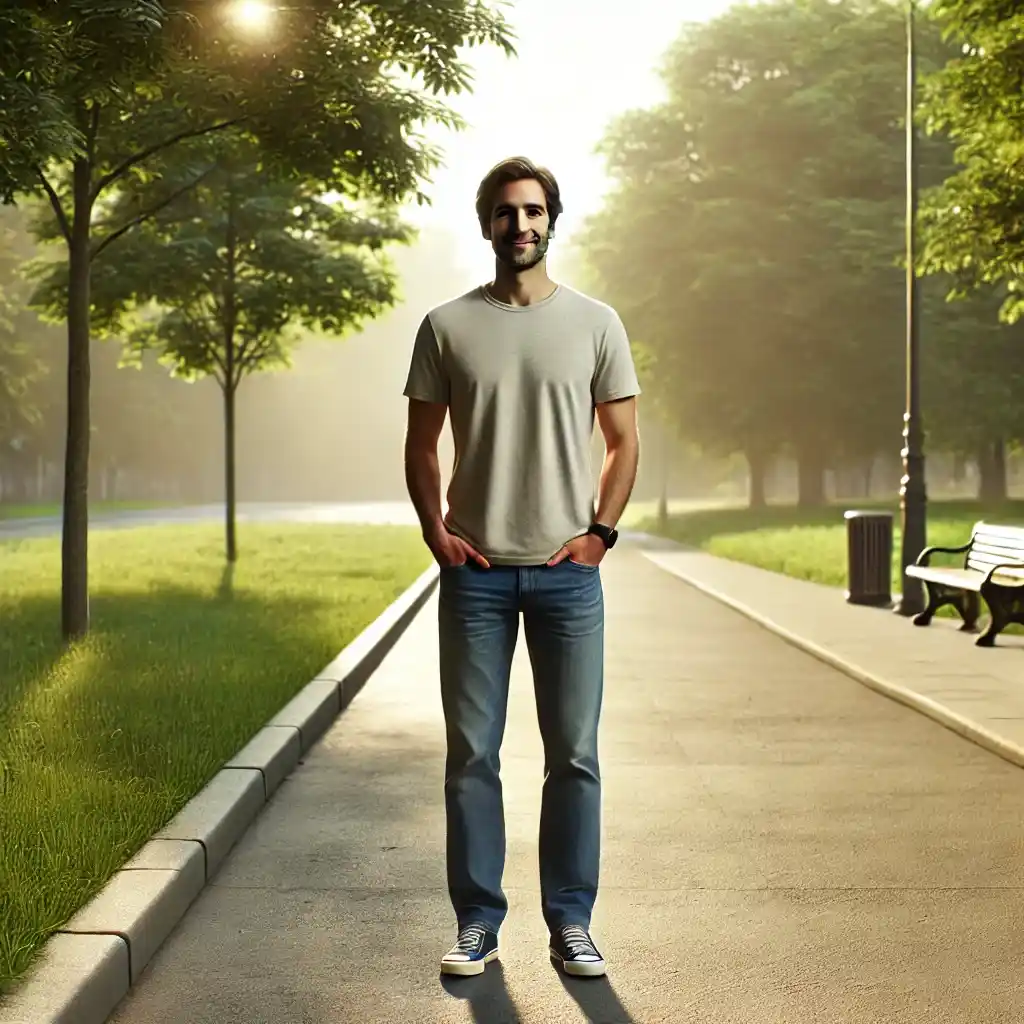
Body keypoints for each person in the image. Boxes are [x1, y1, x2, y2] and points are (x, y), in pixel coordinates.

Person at [402, 155, 641, 979]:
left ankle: (572, 922)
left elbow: (624, 443)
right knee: (473, 754)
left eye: (534, 211)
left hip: (569, 577)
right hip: (476, 577)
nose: (521, 225)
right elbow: (421, 445)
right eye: (506, 212)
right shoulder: (446, 326)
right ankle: (477, 923)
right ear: (486, 224)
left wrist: (600, 534)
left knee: (573, 753)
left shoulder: (597, 323)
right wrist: (436, 534)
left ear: (552, 220)